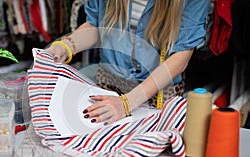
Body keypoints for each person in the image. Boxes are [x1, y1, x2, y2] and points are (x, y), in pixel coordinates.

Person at [46, 0, 210, 125]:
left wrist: (128, 102)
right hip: (108, 84)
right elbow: (95, 24)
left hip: (158, 90)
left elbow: (182, 54)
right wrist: (66, 46)